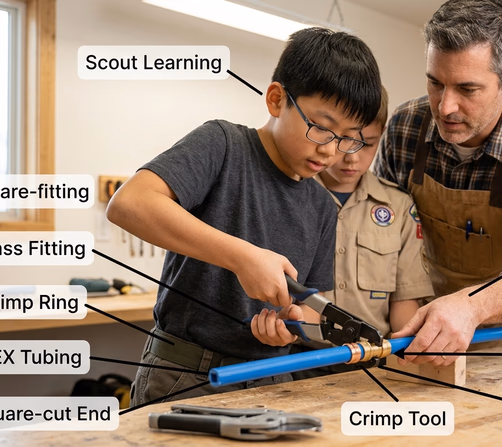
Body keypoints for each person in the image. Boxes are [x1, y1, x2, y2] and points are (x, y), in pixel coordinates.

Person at [107, 27, 382, 405]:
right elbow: (129, 204)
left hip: (272, 383)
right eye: (321, 128)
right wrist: (243, 257)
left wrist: (291, 327)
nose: (333, 151)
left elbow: (309, 307)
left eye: (350, 138)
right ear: (276, 99)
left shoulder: (322, 206)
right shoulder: (223, 145)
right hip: (185, 375)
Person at [373, 0, 502, 366]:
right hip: (419, 337)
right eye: (435, 83)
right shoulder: (406, 125)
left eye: (467, 89)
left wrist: (470, 306)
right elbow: (382, 230)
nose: (445, 107)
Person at [253, 88, 434, 378]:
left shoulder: (398, 207)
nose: (352, 158)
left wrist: (409, 355)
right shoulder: (289, 197)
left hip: (373, 365)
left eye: (366, 144)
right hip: (297, 361)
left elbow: (404, 302)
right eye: (343, 141)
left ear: (382, 136)